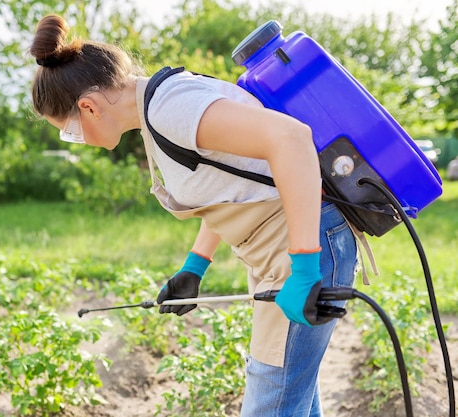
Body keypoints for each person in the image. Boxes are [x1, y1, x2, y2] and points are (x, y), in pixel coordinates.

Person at [29, 14, 358, 417]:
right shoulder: (157, 114)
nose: (78, 142)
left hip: (304, 249)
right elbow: (229, 189)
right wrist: (194, 268)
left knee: (272, 401)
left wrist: (305, 269)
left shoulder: (171, 108)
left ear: (88, 107)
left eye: (70, 131)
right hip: (284, 252)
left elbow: (292, 140)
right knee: (293, 400)